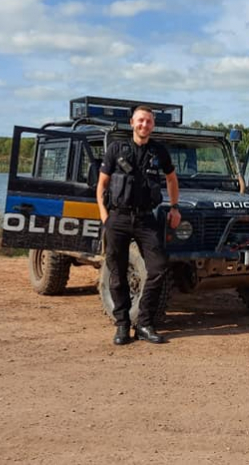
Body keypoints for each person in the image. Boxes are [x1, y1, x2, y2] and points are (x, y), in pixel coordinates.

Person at [96, 105, 182, 345]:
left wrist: (174, 207)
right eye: (141, 120)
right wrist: (105, 217)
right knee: (117, 272)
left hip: (146, 218)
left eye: (149, 121)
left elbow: (171, 178)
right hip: (118, 218)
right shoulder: (116, 149)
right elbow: (102, 185)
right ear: (132, 122)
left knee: (159, 267)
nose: (145, 125)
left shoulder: (158, 152)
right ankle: (122, 325)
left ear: (153, 125)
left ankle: (144, 323)